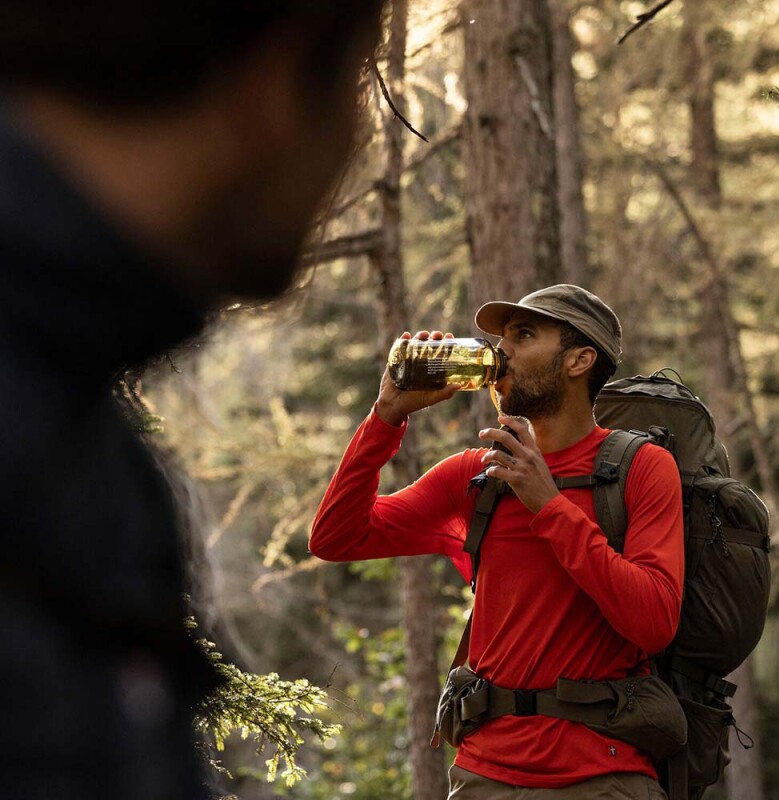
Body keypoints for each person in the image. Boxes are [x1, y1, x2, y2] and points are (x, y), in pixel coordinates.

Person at [0, 3, 384, 798]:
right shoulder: (40, 415)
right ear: (278, 79)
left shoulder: (83, 425)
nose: (359, 140)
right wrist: (389, 418)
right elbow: (340, 532)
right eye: (361, 84)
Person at [310, 285, 685, 799]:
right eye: (501, 336)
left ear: (580, 359)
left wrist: (549, 506)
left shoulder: (642, 468)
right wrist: (386, 416)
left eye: (524, 335)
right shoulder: (478, 475)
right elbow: (335, 537)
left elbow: (654, 620)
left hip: (602, 777)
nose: (501, 350)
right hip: (483, 777)